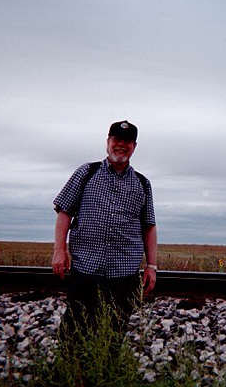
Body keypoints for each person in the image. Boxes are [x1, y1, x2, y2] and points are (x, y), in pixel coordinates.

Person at [51, 120, 157, 337]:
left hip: (124, 274)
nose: (121, 145)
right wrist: (59, 251)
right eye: (117, 139)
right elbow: (64, 212)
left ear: (134, 147)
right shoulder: (86, 173)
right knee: (74, 335)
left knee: (113, 336)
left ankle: (106, 370)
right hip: (85, 270)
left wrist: (152, 266)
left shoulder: (142, 183)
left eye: (127, 141)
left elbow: (149, 227)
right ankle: (71, 370)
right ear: (108, 142)